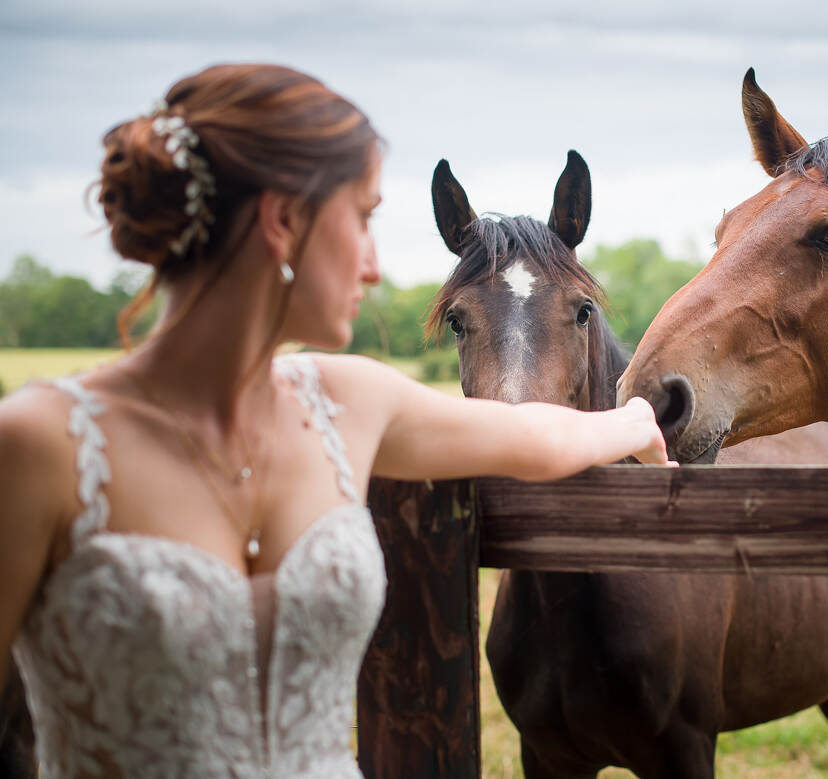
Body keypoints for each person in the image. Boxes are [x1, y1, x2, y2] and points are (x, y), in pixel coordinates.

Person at [0, 64, 671, 777]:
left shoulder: (349, 398)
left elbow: (536, 433)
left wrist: (635, 418)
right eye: (364, 218)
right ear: (282, 222)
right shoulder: (37, 446)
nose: (377, 266)